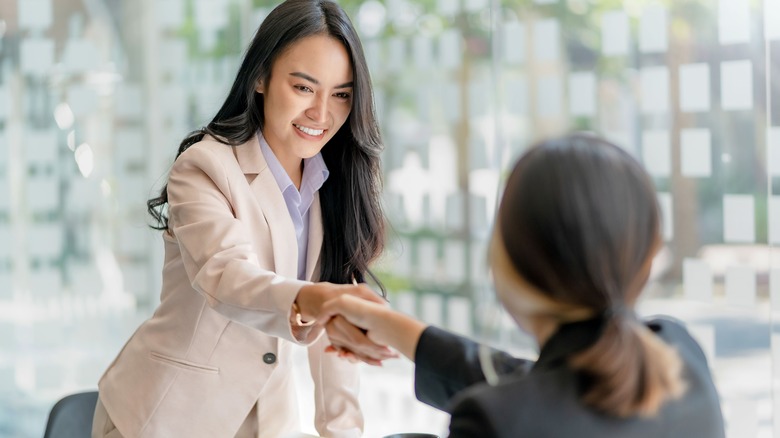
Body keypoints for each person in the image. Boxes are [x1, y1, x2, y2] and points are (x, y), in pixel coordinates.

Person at [92, 1, 393, 436]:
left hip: (265, 421)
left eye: (341, 95)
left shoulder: (335, 183)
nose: (322, 114)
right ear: (260, 78)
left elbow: (334, 338)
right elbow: (226, 276)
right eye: (304, 88)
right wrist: (315, 300)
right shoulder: (205, 167)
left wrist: (342, 431)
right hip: (165, 417)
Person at [317, 134, 726, 437]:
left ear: (509, 260)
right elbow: (541, 389)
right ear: (647, 256)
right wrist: (396, 329)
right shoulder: (680, 355)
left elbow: (525, 402)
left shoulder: (495, 422)